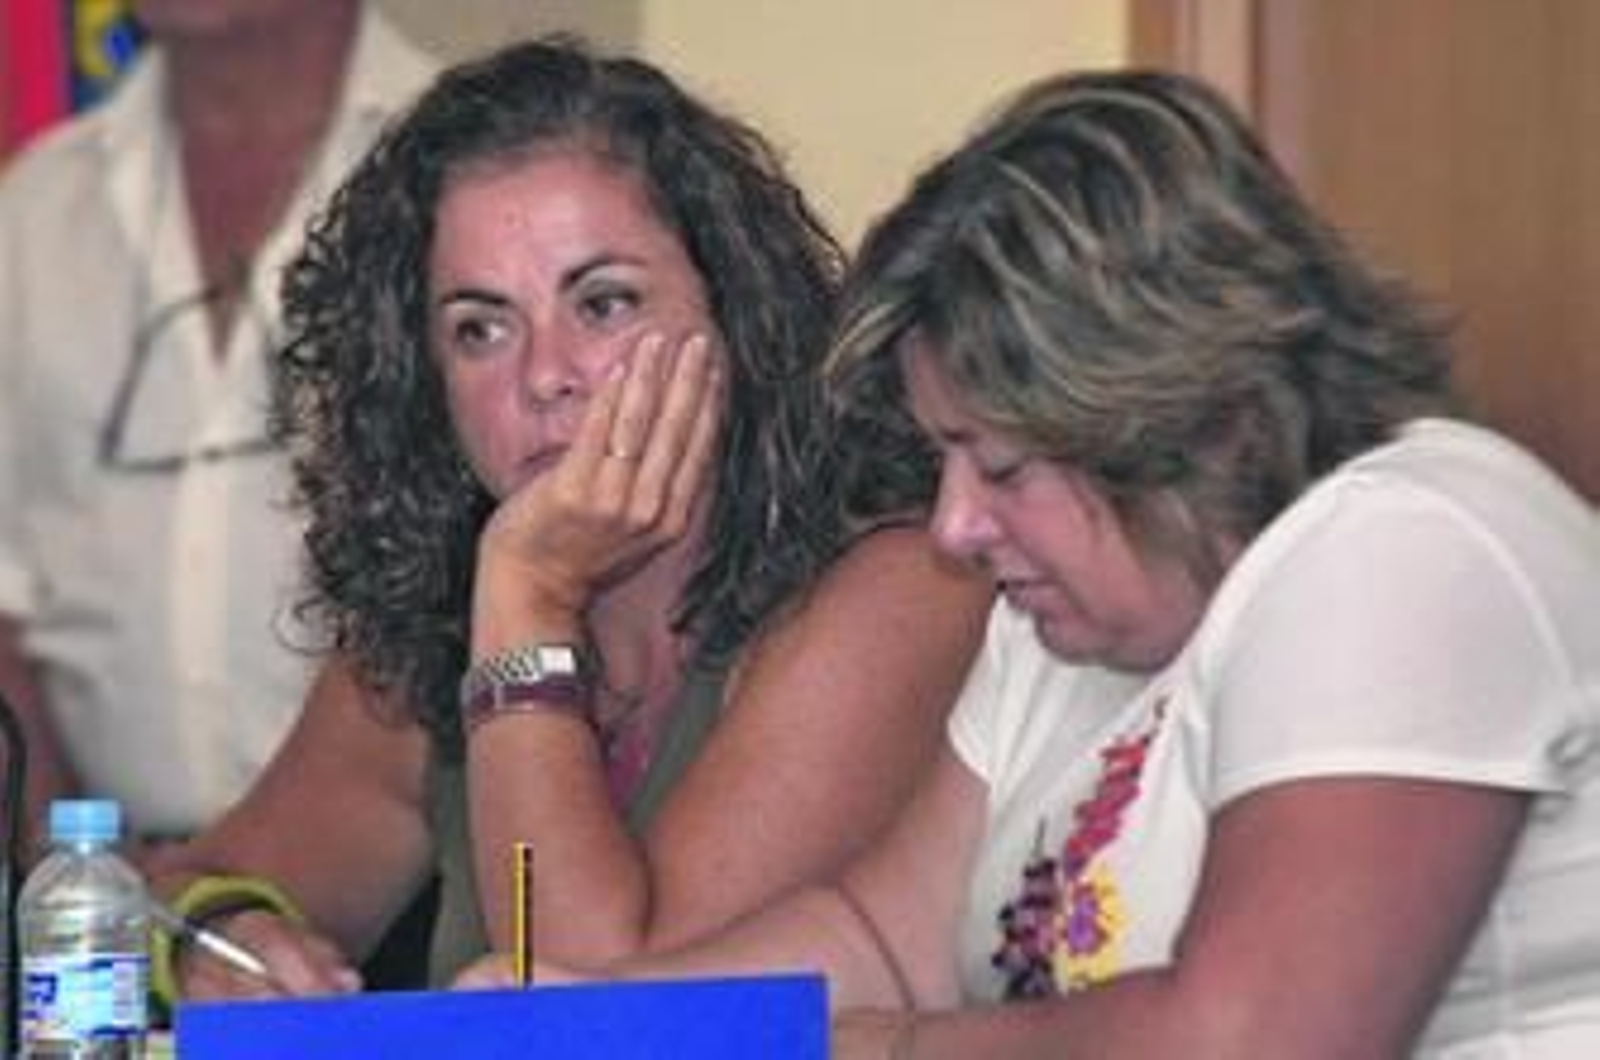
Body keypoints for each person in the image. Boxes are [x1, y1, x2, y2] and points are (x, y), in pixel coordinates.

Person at [463, 69, 1600, 1058]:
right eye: (946, 459)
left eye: (1000, 467)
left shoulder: (1408, 545)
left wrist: (872, 1053)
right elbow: (883, 939)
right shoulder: (1052, 626)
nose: (953, 527)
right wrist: (598, 1020)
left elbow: (1249, 1040)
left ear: (1194, 425)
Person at [146, 36, 990, 999]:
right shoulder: (436, 615)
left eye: (603, 303)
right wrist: (216, 933)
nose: (545, 374)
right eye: (480, 328)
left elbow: (596, 1002)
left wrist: (529, 599)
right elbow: (166, 886)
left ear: (737, 317)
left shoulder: (902, 580)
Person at [0, 0, 437, 858]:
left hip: (414, 889)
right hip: (100, 896)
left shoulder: (461, 162)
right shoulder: (34, 210)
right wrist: (71, 867)